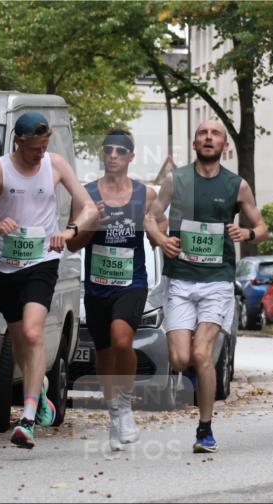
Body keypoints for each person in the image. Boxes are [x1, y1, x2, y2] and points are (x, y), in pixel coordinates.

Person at [0, 112, 98, 449]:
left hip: (42, 262)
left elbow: (90, 208)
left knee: (34, 333)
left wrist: (68, 232)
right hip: (4, 267)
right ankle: (42, 392)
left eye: (45, 146)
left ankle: (27, 418)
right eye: (35, 147)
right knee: (22, 341)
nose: (40, 153)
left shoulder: (56, 164)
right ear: (19, 141)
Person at [145, 120, 268, 454]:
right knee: (180, 357)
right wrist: (160, 239)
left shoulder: (237, 185)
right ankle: (196, 381)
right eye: (203, 133)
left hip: (216, 281)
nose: (209, 137)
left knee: (202, 354)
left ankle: (205, 429)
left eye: (215, 134)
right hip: (180, 280)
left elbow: (261, 225)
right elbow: (149, 216)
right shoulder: (176, 180)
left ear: (224, 145)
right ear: (195, 142)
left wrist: (248, 234)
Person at [66, 129, 158, 452]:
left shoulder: (145, 195)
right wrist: (90, 226)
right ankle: (115, 413)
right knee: (103, 353)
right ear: (103, 155)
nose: (114, 155)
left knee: (122, 340)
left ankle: (125, 407)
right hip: (98, 285)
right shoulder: (86, 195)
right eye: (109, 150)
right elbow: (72, 244)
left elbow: (157, 229)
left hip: (132, 282)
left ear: (131, 156)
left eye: (121, 151)